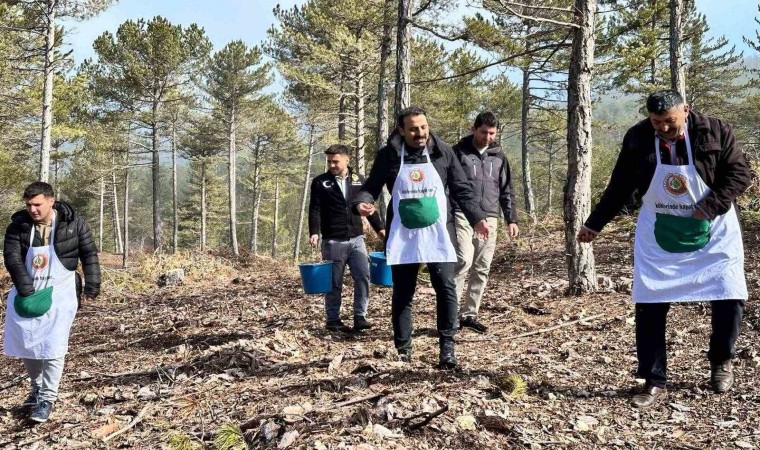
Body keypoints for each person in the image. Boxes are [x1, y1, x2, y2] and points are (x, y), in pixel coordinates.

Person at [577, 90, 750, 408]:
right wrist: (595, 223)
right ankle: (654, 379)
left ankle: (721, 361)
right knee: (650, 303)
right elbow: (620, 185)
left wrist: (708, 206)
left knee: (729, 295)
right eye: (657, 122)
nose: (664, 128)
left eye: (670, 121)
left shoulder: (715, 131)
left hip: (713, 229)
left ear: (685, 110)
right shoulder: (638, 137)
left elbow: (740, 174)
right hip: (660, 229)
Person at [353, 106, 491, 369]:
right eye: (414, 129)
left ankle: (447, 348)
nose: (420, 133)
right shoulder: (388, 155)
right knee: (403, 292)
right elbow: (370, 187)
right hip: (403, 234)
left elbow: (462, 189)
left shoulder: (443, 152)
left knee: (446, 287)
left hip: (438, 232)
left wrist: (478, 218)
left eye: (424, 127)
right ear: (401, 130)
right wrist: (362, 203)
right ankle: (403, 350)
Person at [3, 181, 100, 422]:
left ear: (51, 201)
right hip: (27, 291)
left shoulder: (74, 224)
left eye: (37, 204)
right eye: (29, 205)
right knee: (27, 341)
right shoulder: (18, 227)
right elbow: (12, 258)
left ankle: (47, 397)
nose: (32, 209)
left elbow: (89, 254)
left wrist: (92, 285)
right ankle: (36, 388)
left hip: (61, 292)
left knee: (54, 344)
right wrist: (27, 290)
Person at [452, 111, 519, 334]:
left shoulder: (499, 156)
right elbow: (448, 184)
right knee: (463, 260)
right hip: (462, 214)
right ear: (473, 129)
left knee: (482, 267)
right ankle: (450, 315)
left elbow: (506, 189)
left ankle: (469, 315)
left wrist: (511, 219)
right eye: (483, 132)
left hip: (490, 216)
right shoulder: (458, 152)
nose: (487, 137)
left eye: (492, 133)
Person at [309, 144, 385, 333]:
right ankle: (333, 319)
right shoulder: (320, 182)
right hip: (333, 240)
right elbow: (315, 209)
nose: (332, 165)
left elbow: (368, 207)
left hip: (357, 238)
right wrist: (314, 232)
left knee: (363, 276)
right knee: (334, 281)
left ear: (346, 160)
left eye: (335, 161)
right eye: (329, 161)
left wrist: (380, 229)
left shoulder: (360, 180)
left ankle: (360, 316)